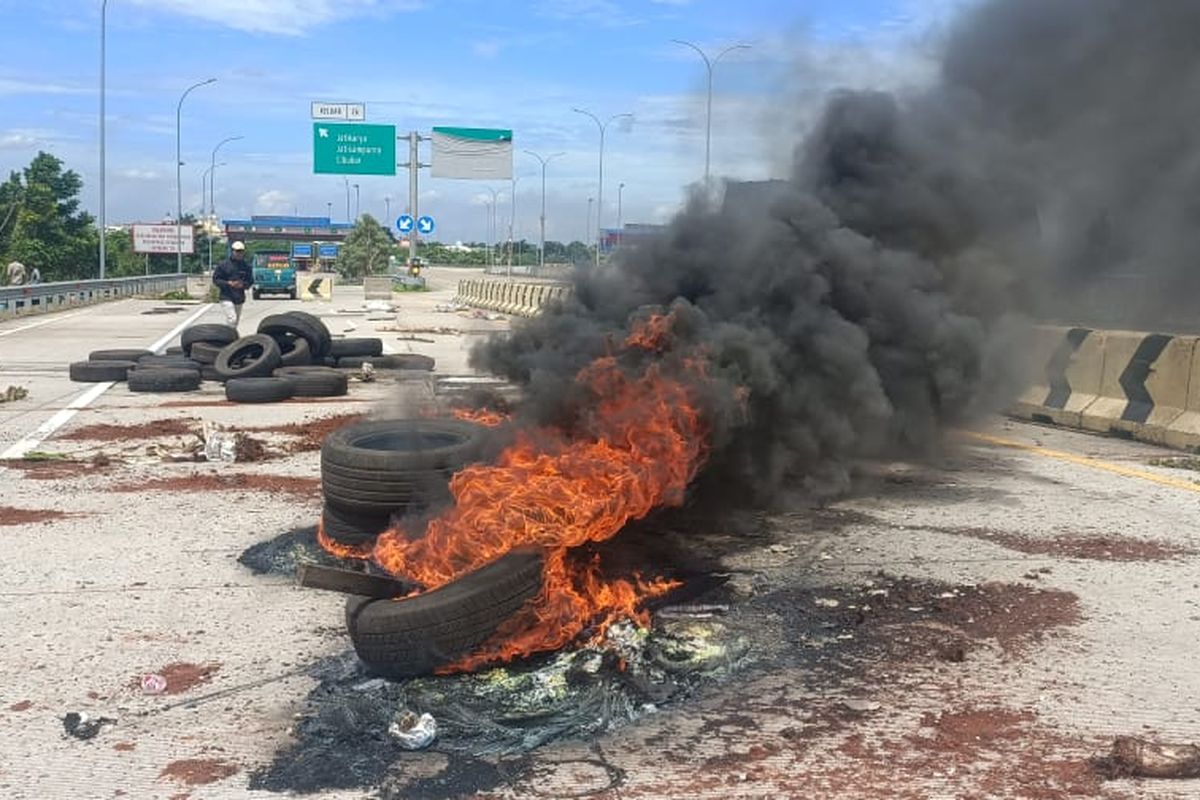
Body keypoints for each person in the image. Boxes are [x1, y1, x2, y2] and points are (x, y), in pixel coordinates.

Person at [212, 241, 254, 328]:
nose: (239, 253)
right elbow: (216, 279)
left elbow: (250, 281)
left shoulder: (246, 266)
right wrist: (228, 283)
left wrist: (243, 285)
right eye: (237, 251)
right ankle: (228, 337)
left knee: (235, 322)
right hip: (226, 296)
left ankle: (231, 337)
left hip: (239, 297)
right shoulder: (223, 265)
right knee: (232, 319)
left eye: (241, 251)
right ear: (232, 251)